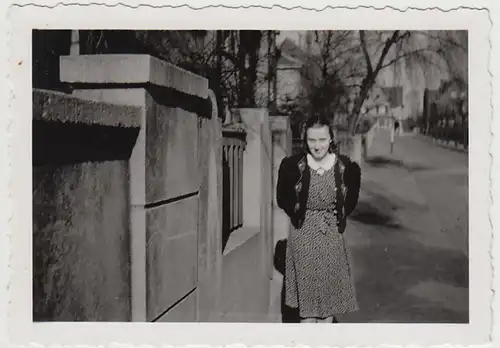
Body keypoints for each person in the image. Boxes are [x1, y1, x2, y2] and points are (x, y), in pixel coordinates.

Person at [276, 114, 361, 324]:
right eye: (312, 140)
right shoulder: (292, 166)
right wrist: (300, 215)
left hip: (332, 239)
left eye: (322, 139)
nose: (317, 146)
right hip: (303, 238)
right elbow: (282, 197)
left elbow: (350, 200)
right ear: (305, 141)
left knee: (327, 309)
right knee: (308, 312)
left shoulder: (345, 167)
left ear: (331, 139)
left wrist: (336, 217)